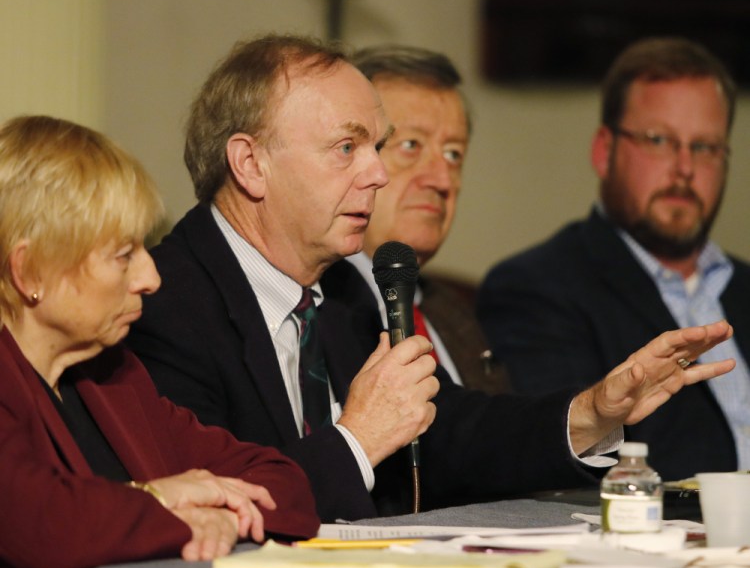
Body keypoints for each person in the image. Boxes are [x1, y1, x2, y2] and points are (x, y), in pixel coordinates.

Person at [127, 34, 734, 523]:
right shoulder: (163, 303)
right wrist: (357, 440)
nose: (377, 174)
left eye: (379, 147)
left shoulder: (341, 291)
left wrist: (593, 411)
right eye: (347, 148)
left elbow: (454, 431)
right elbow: (214, 501)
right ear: (250, 164)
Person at [0, 115, 318, 568]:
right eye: (123, 256)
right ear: (29, 273)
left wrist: (225, 519)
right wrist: (161, 498)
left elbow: (282, 482)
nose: (151, 279)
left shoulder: (112, 376)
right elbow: (42, 523)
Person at [477, 36, 747, 481]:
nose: (684, 168)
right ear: (605, 152)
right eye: (659, 140)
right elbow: (557, 468)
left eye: (704, 147)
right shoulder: (536, 287)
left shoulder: (743, 287)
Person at [346, 44, 508, 396]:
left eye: (453, 154)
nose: (442, 179)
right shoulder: (317, 305)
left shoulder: (453, 312)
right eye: (411, 145)